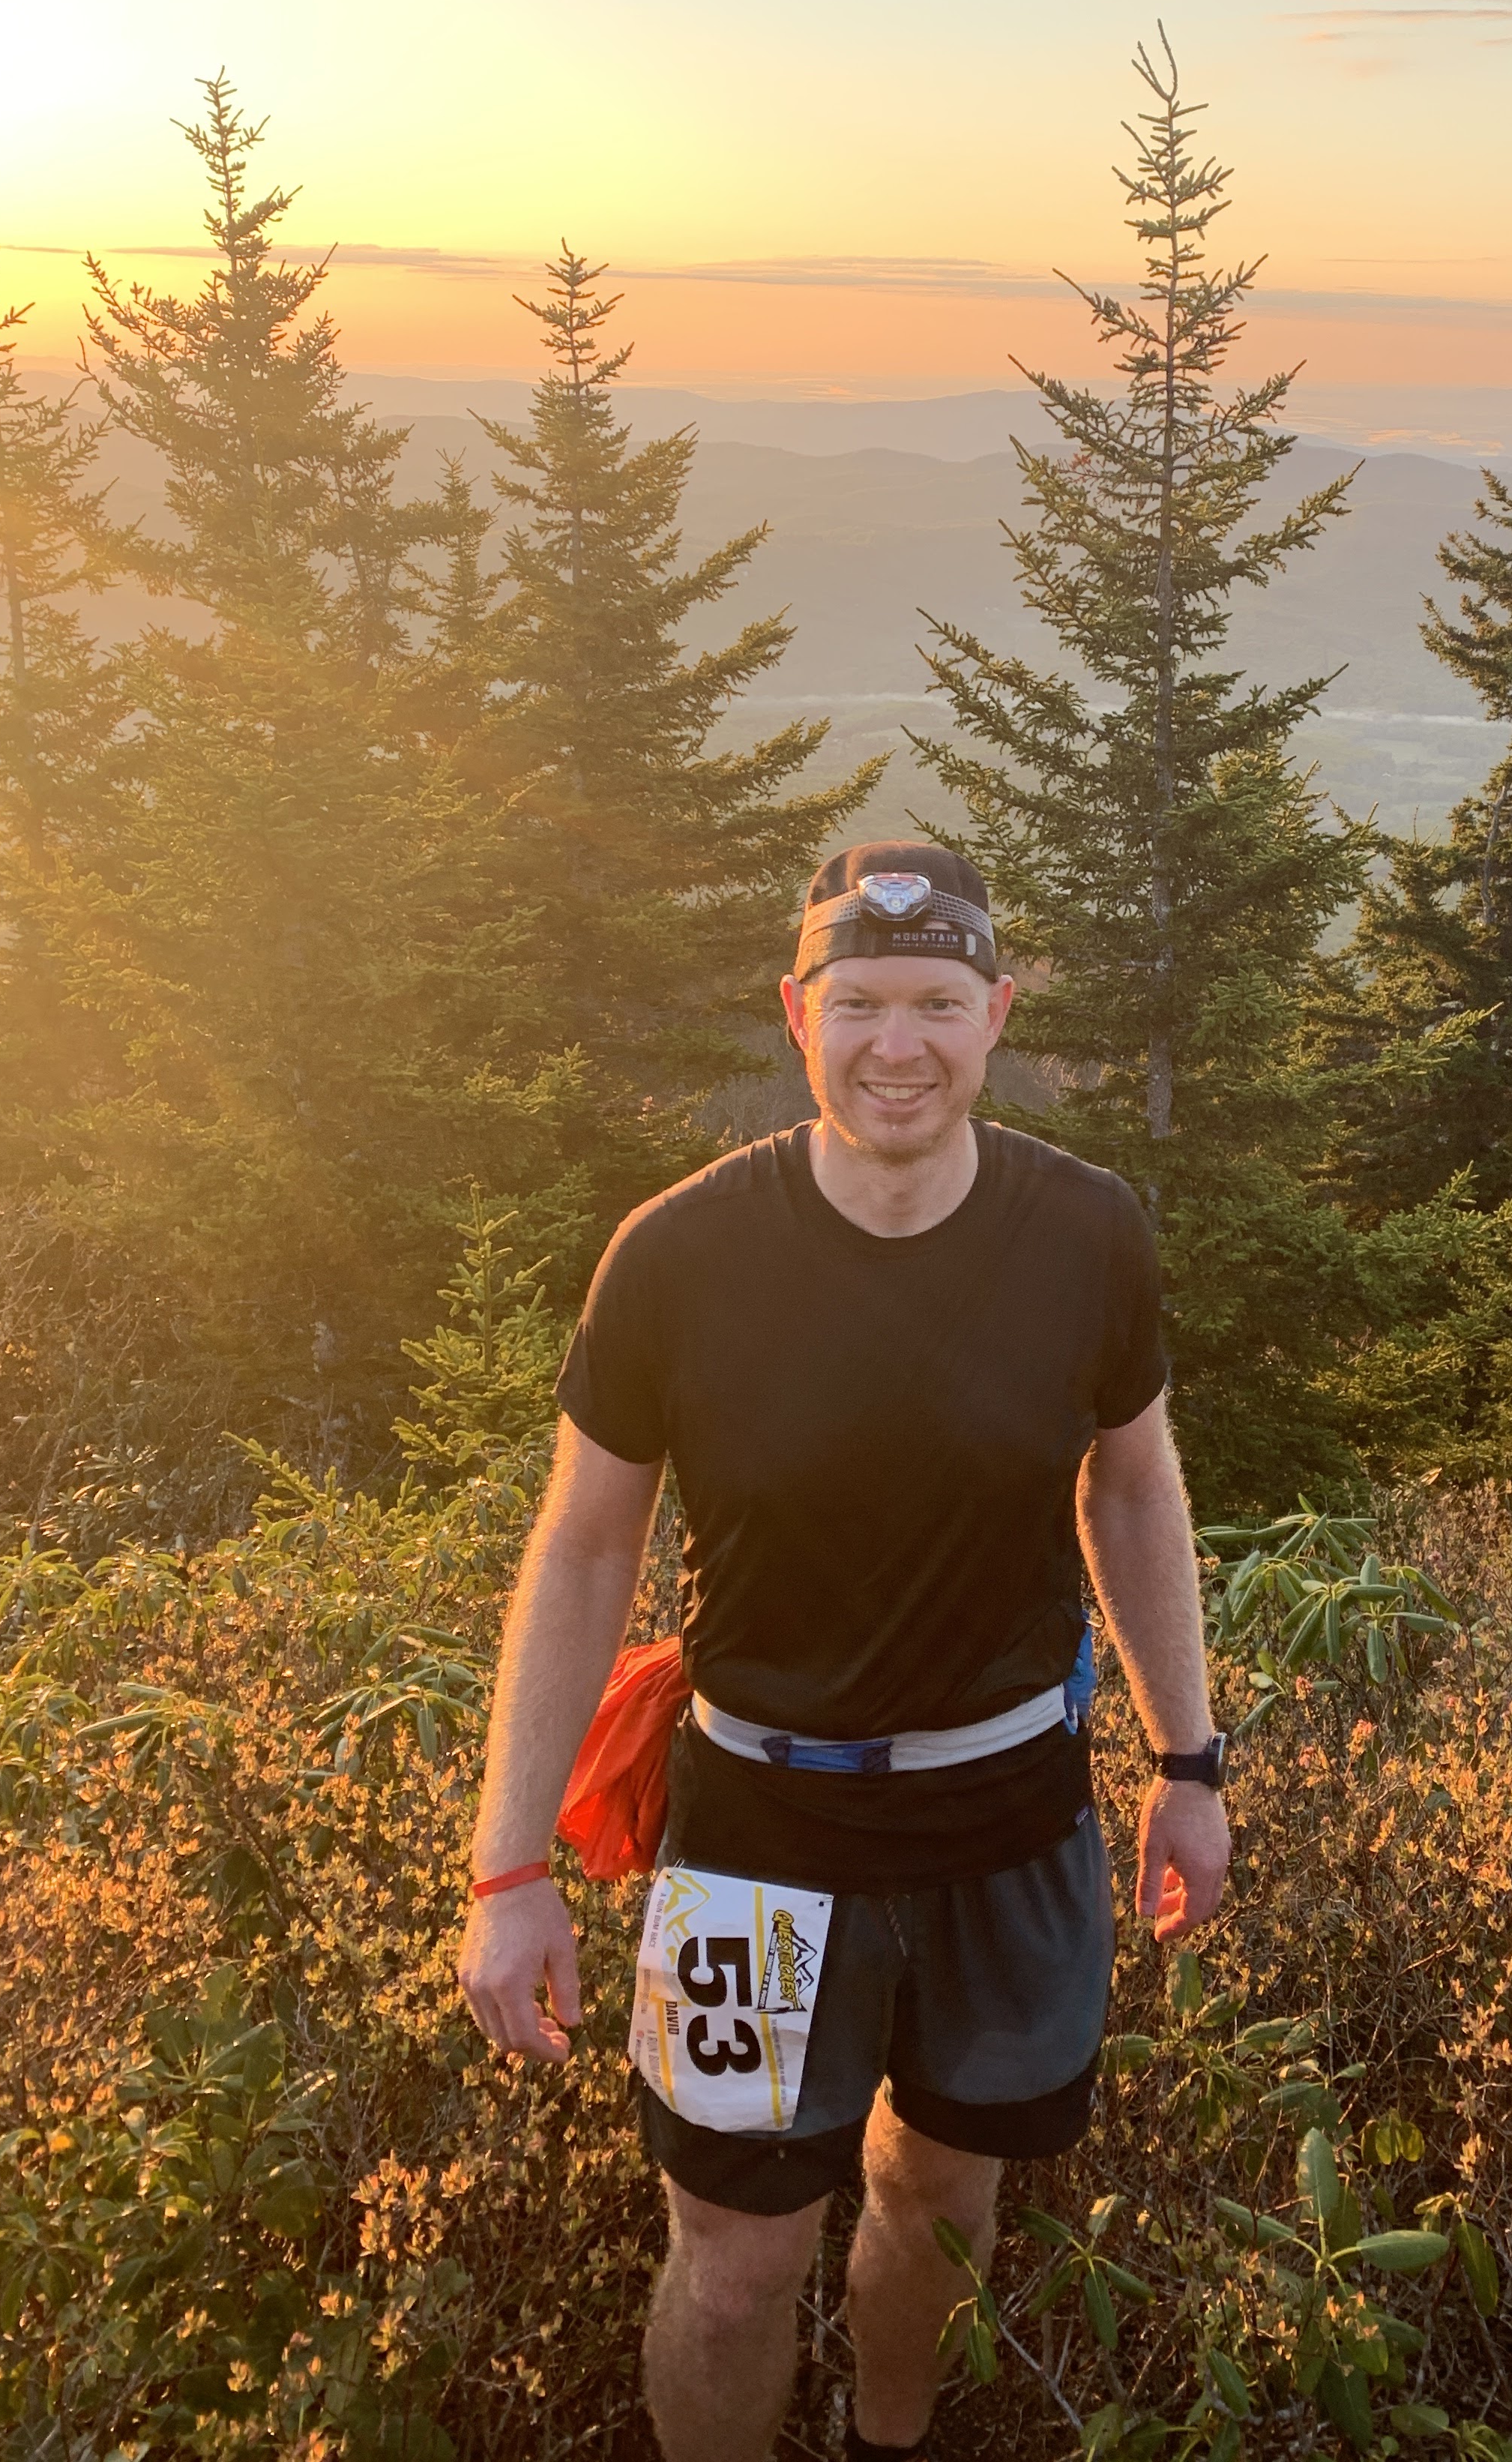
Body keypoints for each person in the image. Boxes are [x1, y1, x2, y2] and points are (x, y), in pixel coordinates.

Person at [458, 840, 1232, 2462]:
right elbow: (586, 1544)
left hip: (1010, 1825)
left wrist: (1187, 1763)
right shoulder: (678, 1255)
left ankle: (894, 2445)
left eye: (938, 1003)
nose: (901, 1043)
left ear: (998, 1015)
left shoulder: (1088, 1233)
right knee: (735, 2268)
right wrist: (507, 1869)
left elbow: (1136, 1484)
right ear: (796, 1013)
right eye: (862, 1001)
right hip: (755, 1837)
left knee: (942, 2201)